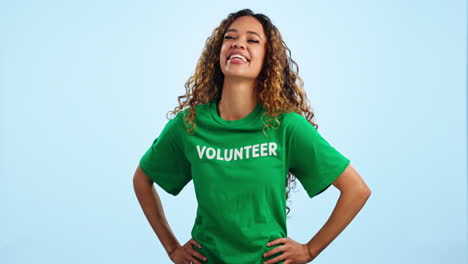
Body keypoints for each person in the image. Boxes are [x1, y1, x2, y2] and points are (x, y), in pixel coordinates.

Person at [133, 8, 371, 264]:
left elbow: (356, 189)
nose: (238, 44)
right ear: (218, 52)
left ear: (268, 59)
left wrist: (310, 250)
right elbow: (143, 179)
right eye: (229, 37)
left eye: (253, 40)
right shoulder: (189, 124)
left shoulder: (285, 126)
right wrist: (172, 248)